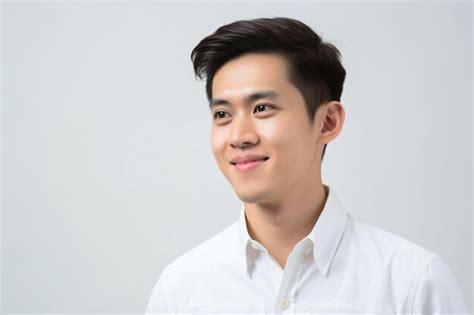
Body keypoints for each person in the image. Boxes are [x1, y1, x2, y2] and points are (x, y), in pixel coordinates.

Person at [145, 17, 469, 314]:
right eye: (222, 114)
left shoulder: (411, 284)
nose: (239, 137)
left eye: (262, 108)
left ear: (327, 122)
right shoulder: (181, 290)